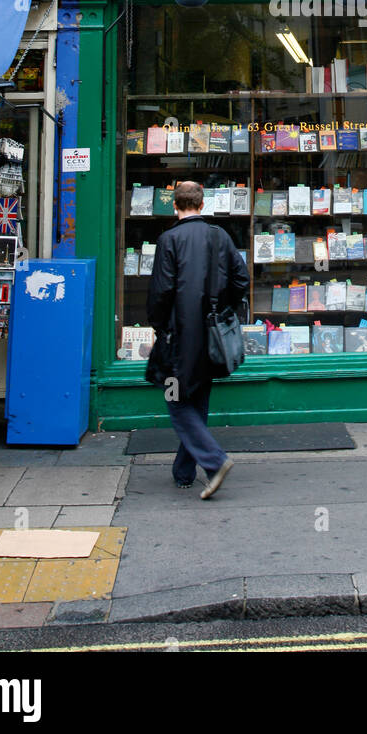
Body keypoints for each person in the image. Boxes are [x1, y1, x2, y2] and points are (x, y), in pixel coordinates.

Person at [147, 179, 250, 498]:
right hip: (211, 336)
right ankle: (183, 471)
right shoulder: (220, 236)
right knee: (198, 399)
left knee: (176, 399)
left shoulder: (169, 239)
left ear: (174, 205)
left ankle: (215, 461)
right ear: (202, 205)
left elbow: (162, 291)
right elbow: (240, 279)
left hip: (179, 338)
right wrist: (224, 312)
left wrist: (158, 324)